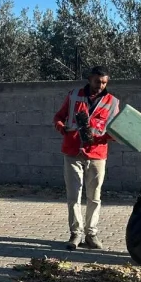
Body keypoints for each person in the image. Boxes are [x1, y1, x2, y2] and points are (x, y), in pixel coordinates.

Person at [53, 66, 121, 250]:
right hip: (72, 151)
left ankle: (92, 233)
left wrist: (106, 137)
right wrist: (62, 128)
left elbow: (115, 129)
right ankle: (76, 233)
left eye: (105, 82)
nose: (101, 85)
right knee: (74, 195)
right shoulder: (74, 95)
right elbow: (58, 117)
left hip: (97, 153)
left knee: (95, 197)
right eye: (98, 81)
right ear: (90, 79)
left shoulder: (112, 102)